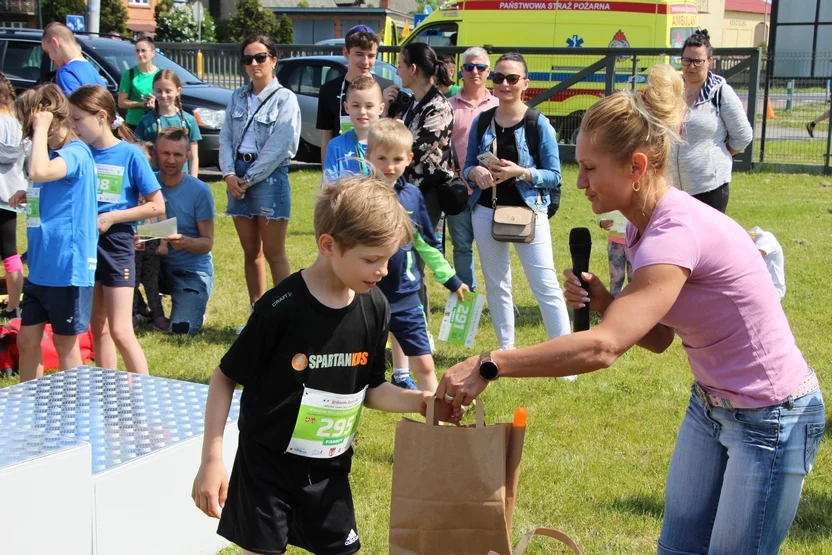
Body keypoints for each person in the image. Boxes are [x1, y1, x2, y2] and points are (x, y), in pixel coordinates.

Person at [438, 64, 825, 555]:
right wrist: (604, 301)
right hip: (710, 405)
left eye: (591, 168)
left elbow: (603, 348)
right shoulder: (644, 228)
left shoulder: (672, 232)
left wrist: (492, 364)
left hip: (772, 417)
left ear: (637, 167)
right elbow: (660, 337)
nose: (579, 183)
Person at [190, 176, 461, 555]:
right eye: (371, 259)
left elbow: (370, 388)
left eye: (388, 259)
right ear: (329, 245)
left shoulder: (374, 306)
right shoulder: (280, 308)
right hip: (267, 469)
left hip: (329, 472)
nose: (383, 270)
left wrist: (420, 402)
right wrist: (212, 459)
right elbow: (224, 377)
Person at [462, 53, 572, 367]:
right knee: (497, 283)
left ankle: (564, 358)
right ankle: (506, 352)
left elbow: (555, 176)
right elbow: (467, 165)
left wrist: (520, 172)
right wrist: (474, 174)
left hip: (530, 211)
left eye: (512, 78)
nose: (505, 84)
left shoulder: (539, 124)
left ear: (526, 83)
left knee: (545, 283)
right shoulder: (483, 121)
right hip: (486, 209)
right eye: (498, 78)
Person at [366, 119, 469, 391]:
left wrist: (451, 279)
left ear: (410, 158)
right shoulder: (359, 196)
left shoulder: (412, 196)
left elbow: (426, 243)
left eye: (397, 158)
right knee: (359, 367)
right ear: (368, 156)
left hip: (405, 295)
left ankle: (436, 422)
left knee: (424, 365)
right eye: (381, 158)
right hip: (365, 295)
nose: (389, 166)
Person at [68, 85, 164, 375]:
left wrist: (114, 218)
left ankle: (145, 395)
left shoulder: (130, 155)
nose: (73, 127)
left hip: (117, 244)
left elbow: (156, 206)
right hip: (86, 244)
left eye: (77, 119)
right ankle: (107, 392)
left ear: (100, 116)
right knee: (98, 327)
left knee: (121, 329)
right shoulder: (79, 153)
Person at [10, 85, 98, 382]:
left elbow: (40, 171)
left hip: (67, 269)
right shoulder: (49, 156)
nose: (28, 133)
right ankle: (28, 407)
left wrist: (41, 126)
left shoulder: (76, 153)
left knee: (66, 344)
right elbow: (42, 179)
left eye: (29, 124)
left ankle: (75, 415)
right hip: (41, 269)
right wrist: (28, 194)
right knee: (26, 340)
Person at [219, 34, 300, 334]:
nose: (254, 64)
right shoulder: (237, 97)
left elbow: (280, 144)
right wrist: (228, 174)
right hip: (237, 174)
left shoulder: (285, 99)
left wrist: (249, 178)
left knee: (273, 252)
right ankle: (259, 314)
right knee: (250, 251)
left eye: (261, 57)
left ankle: (287, 317)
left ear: (274, 60)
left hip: (268, 176)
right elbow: (226, 137)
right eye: (248, 59)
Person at [670, 29, 752, 213]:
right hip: (672, 189)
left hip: (709, 188)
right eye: (686, 60)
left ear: (709, 61)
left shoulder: (721, 93)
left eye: (698, 61)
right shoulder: (671, 92)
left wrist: (720, 154)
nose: (691, 67)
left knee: (706, 241)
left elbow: (743, 135)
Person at [447, 47, 499, 291]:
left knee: (495, 247)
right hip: (458, 189)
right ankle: (468, 294)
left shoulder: (500, 105)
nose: (475, 71)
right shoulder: (448, 107)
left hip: (492, 191)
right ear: (461, 71)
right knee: (462, 246)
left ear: (488, 71)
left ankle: (500, 294)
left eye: (480, 67)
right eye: (469, 67)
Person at [386, 42, 455, 229]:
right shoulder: (412, 103)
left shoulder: (438, 108)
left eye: (400, 65)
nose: (398, 72)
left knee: (416, 254)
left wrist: (395, 137)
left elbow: (417, 151)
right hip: (404, 189)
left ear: (413, 68)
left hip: (425, 195)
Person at [155, 127, 215, 334]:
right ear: (156, 152)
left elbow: (207, 243)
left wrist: (186, 242)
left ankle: (193, 307)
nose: (171, 160)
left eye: (177, 155)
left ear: (188, 157)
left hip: (190, 271)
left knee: (182, 329)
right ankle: (144, 309)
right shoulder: (146, 182)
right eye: (165, 153)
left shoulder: (200, 191)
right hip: (152, 267)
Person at [316, 25, 393, 164]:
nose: (365, 62)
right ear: (346, 53)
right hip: (342, 166)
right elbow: (326, 137)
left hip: (377, 167)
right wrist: (326, 174)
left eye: (371, 56)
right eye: (359, 54)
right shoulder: (329, 89)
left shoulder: (387, 88)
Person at [135, 70, 202, 177]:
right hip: (154, 180)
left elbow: (194, 157)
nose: (163, 95)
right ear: (153, 90)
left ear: (178, 91)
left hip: (181, 180)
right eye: (159, 91)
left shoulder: (189, 120)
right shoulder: (146, 121)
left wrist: (193, 181)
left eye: (168, 91)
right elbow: (139, 155)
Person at [321, 75, 383, 185]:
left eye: (369, 106)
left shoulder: (387, 144)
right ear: (346, 107)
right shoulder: (335, 146)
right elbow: (328, 188)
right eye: (356, 105)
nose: (362, 111)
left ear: (381, 108)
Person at [0, 73, 26, 321]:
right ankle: (13, 306)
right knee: (10, 252)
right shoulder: (17, 122)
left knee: (8, 252)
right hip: (11, 193)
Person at [41, 22, 106, 96]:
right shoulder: (92, 70)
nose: (51, 58)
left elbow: (72, 106)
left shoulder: (66, 73)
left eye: (48, 51)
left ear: (55, 43)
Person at [117, 36, 159, 132]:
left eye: (143, 50)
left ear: (153, 53)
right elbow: (121, 102)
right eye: (137, 51)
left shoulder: (160, 75)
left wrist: (156, 102)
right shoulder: (129, 74)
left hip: (155, 123)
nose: (140, 54)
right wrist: (141, 104)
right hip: (134, 124)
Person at [598, 211, 631, 297]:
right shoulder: (610, 198)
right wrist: (601, 222)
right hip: (615, 243)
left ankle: (637, 306)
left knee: (635, 278)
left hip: (635, 241)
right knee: (616, 278)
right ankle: (614, 304)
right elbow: (600, 209)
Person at [749, 226, 785, 300]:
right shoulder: (754, 239)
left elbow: (751, 258)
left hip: (772, 291)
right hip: (758, 288)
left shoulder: (766, 239)